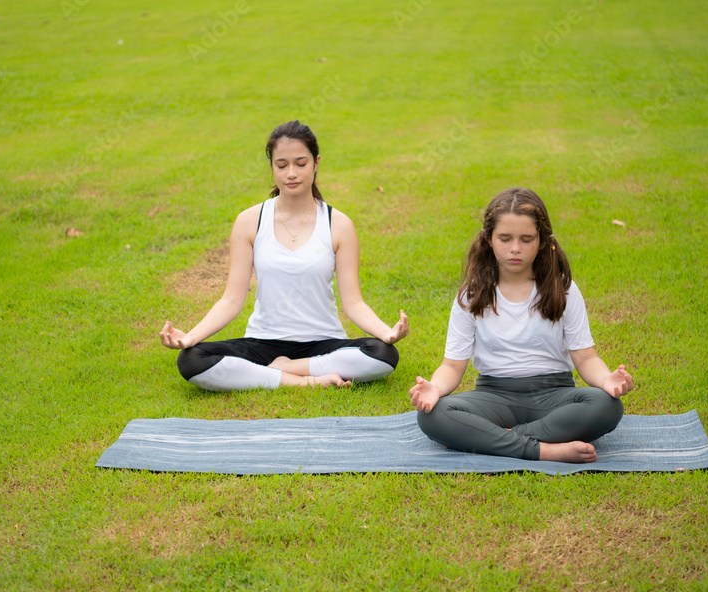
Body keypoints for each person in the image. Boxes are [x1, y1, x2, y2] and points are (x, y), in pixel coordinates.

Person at [160, 120, 408, 391]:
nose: (292, 173)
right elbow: (231, 300)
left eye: (301, 164)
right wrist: (191, 338)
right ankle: (305, 382)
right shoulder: (249, 221)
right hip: (264, 342)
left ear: (316, 163)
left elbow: (354, 303)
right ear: (272, 167)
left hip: (323, 343)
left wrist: (386, 332)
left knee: (383, 354)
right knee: (192, 360)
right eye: (282, 165)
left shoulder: (338, 224)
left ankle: (286, 369)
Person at [409, 187, 633, 463]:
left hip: (555, 396)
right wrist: (435, 388)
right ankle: (545, 450)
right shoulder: (472, 294)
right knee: (434, 415)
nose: (515, 248)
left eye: (526, 239)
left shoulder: (562, 288)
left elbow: (585, 357)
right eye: (505, 238)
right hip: (494, 397)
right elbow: (453, 366)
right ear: (488, 239)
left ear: (542, 241)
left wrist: (606, 379)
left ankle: (497, 438)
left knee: (606, 406)